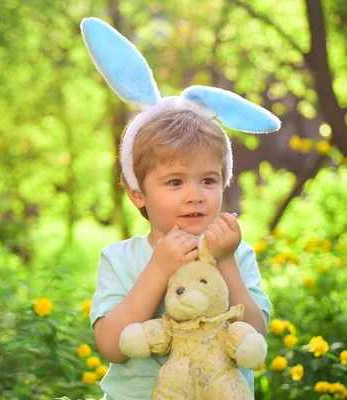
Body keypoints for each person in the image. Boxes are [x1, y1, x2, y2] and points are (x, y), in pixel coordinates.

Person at [80, 17, 280, 400]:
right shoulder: (121, 259)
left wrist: (225, 261)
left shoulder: (236, 253)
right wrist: (160, 267)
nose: (196, 195)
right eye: (175, 182)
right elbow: (109, 344)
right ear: (138, 193)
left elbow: (254, 337)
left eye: (207, 180)